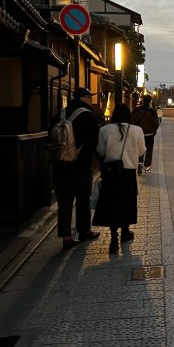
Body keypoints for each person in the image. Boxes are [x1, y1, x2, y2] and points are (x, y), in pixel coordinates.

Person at [52, 87, 100, 250]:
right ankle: (84, 231)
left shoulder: (62, 114)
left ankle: (66, 237)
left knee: (64, 201)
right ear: (83, 98)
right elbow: (94, 142)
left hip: (62, 164)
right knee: (83, 199)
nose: (92, 100)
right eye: (90, 97)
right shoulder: (88, 116)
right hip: (81, 165)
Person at [93, 103, 145, 253]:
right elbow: (141, 151)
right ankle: (125, 232)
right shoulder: (136, 130)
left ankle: (113, 237)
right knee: (126, 202)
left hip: (111, 172)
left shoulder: (104, 130)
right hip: (128, 172)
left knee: (112, 203)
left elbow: (100, 151)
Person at [132, 94, 160, 174]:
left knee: (139, 149)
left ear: (143, 100)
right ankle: (147, 167)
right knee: (149, 150)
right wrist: (154, 130)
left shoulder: (136, 110)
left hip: (138, 134)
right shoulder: (152, 111)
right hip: (149, 134)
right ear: (150, 101)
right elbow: (156, 123)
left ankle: (139, 162)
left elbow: (132, 120)